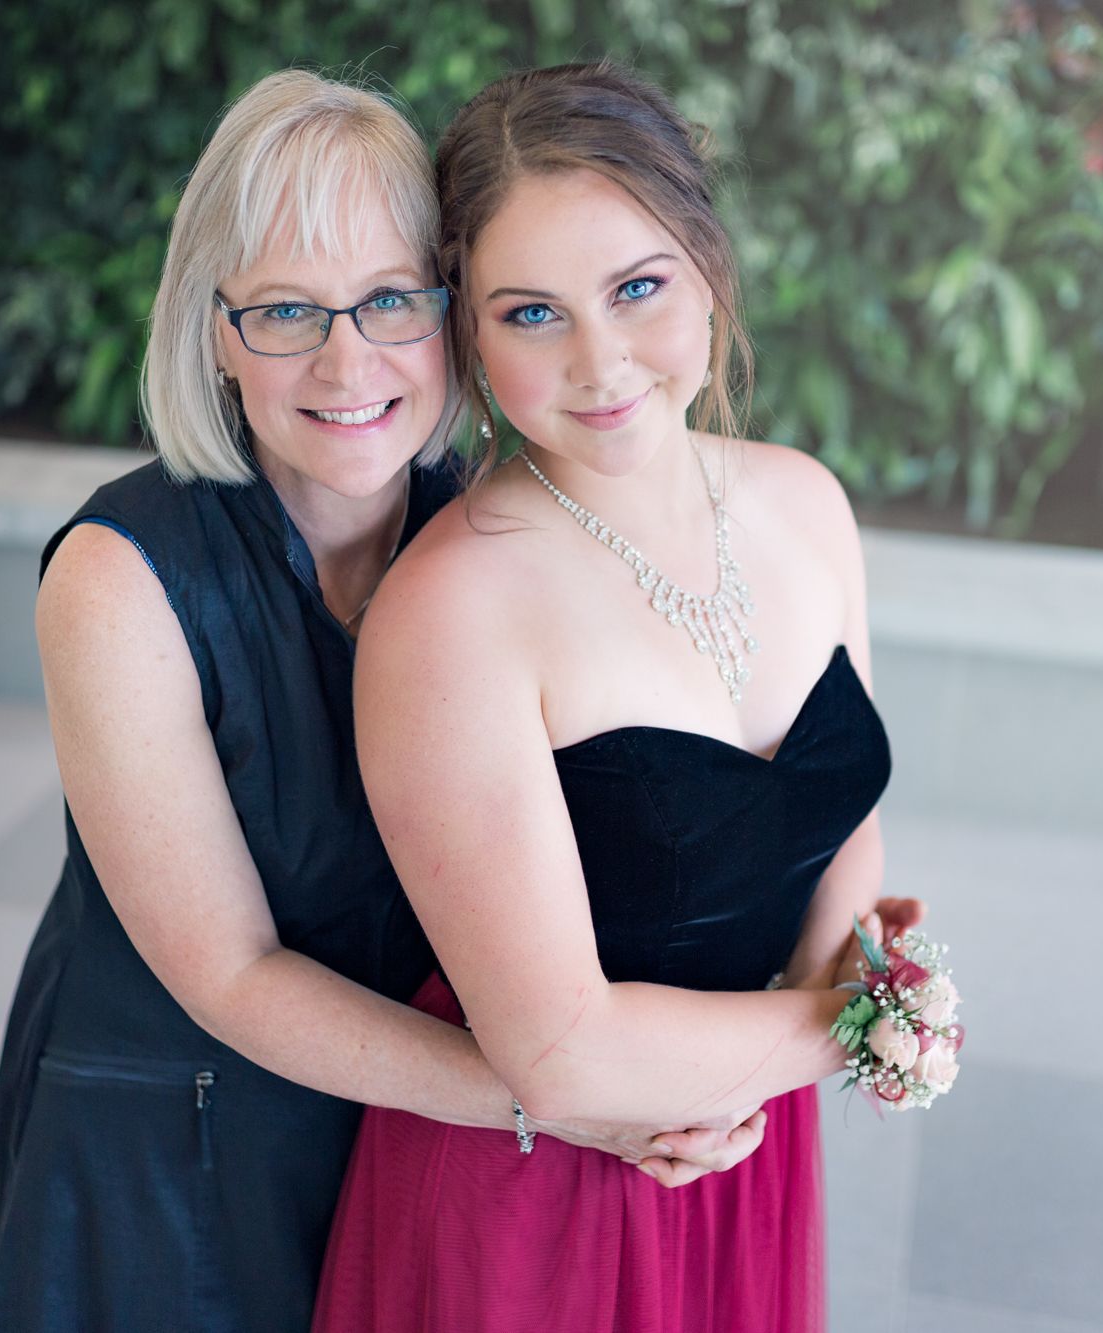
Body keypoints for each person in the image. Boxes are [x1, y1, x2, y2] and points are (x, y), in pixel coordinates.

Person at [0, 70, 765, 1333]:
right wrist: (555, 1095)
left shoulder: (496, 529)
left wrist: (703, 1052)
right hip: (185, 1144)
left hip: (424, 1131)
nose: (347, 360)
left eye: (390, 300)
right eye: (285, 310)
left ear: (451, 312)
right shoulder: (118, 583)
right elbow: (228, 972)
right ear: (214, 330)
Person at [313, 62, 921, 1332]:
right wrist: (871, 1026)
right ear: (468, 334)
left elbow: (844, 825)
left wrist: (791, 1045)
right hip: (542, 1196)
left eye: (635, 288)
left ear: (705, 264)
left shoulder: (805, 502)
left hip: (742, 1147)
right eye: (529, 314)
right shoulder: (453, 612)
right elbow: (559, 1054)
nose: (599, 361)